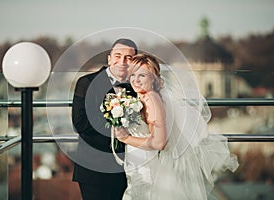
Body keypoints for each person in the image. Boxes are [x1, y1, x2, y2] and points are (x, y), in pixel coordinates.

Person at [114, 53, 239, 200]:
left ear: (154, 78)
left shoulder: (152, 100)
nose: (136, 80)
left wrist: (126, 138)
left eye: (142, 75)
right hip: (139, 165)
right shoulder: (142, 98)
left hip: (148, 170)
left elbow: (159, 142)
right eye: (133, 74)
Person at [71, 38, 138, 200]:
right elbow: (79, 123)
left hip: (127, 169)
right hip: (93, 168)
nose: (122, 61)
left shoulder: (137, 87)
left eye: (128, 58)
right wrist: (115, 121)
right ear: (109, 59)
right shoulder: (86, 82)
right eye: (118, 55)